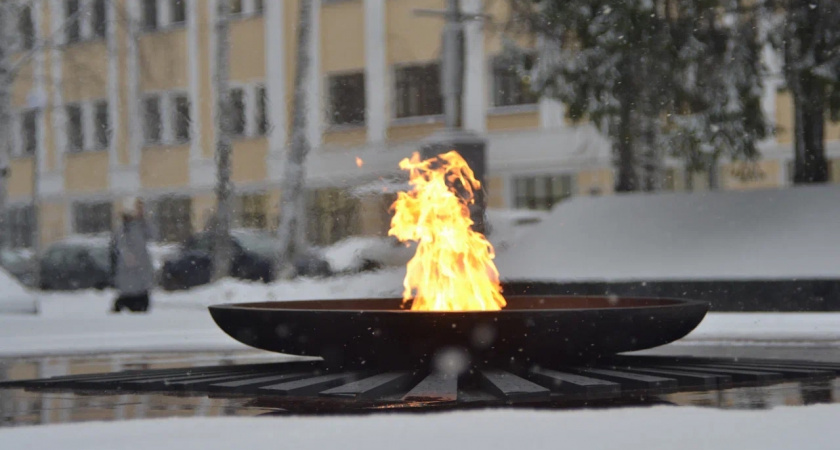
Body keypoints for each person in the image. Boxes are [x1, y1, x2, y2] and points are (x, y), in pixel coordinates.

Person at [110, 197, 155, 313]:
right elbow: (120, 245)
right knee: (129, 294)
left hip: (141, 271)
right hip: (128, 271)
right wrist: (127, 255)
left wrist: (144, 217)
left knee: (141, 297)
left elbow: (153, 234)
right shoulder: (123, 228)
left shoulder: (142, 226)